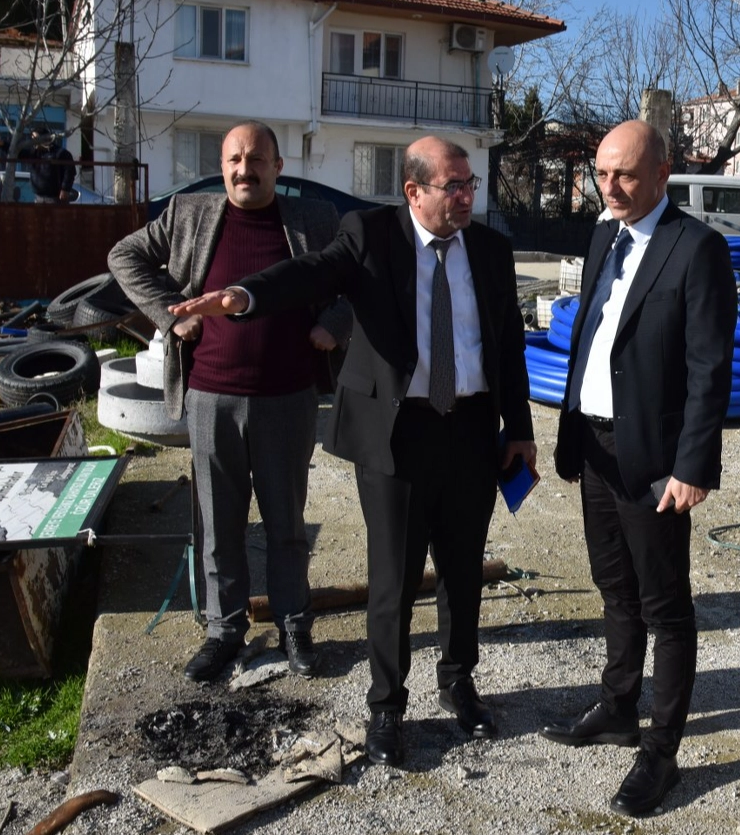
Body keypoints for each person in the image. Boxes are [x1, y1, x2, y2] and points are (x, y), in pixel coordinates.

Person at [168, 136, 536, 767]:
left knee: (461, 570)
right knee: (392, 578)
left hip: (472, 429)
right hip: (398, 432)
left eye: (470, 183)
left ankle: (458, 682)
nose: (467, 196)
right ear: (414, 191)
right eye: (455, 186)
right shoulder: (370, 235)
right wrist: (243, 297)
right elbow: (309, 273)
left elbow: (507, 346)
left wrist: (521, 428)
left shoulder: (491, 250)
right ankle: (387, 707)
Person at [108, 120, 350, 682]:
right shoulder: (190, 214)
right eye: (235, 159)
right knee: (218, 524)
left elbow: (358, 278)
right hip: (211, 395)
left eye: (258, 159)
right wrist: (171, 314)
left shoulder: (314, 219)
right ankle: (224, 630)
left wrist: (335, 324)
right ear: (223, 167)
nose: (246, 170)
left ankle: (294, 624)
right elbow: (125, 256)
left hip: (288, 398)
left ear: (278, 166)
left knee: (286, 522)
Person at [542, 120, 736, 817]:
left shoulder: (696, 249)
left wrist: (693, 464)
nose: (610, 187)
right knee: (613, 584)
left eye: (624, 174)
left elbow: (711, 367)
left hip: (652, 457)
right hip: (593, 447)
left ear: (663, 172)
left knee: (666, 606)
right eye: (601, 173)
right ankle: (619, 702)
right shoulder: (604, 235)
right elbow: (590, 340)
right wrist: (569, 431)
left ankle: (661, 750)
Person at [4, 126, 76, 203]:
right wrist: (3, 145)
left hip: (55, 198)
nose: (33, 141)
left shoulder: (60, 153)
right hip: (39, 197)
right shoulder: (34, 152)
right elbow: (19, 154)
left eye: (36, 138)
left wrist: (65, 189)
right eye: (32, 138)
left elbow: (70, 172)